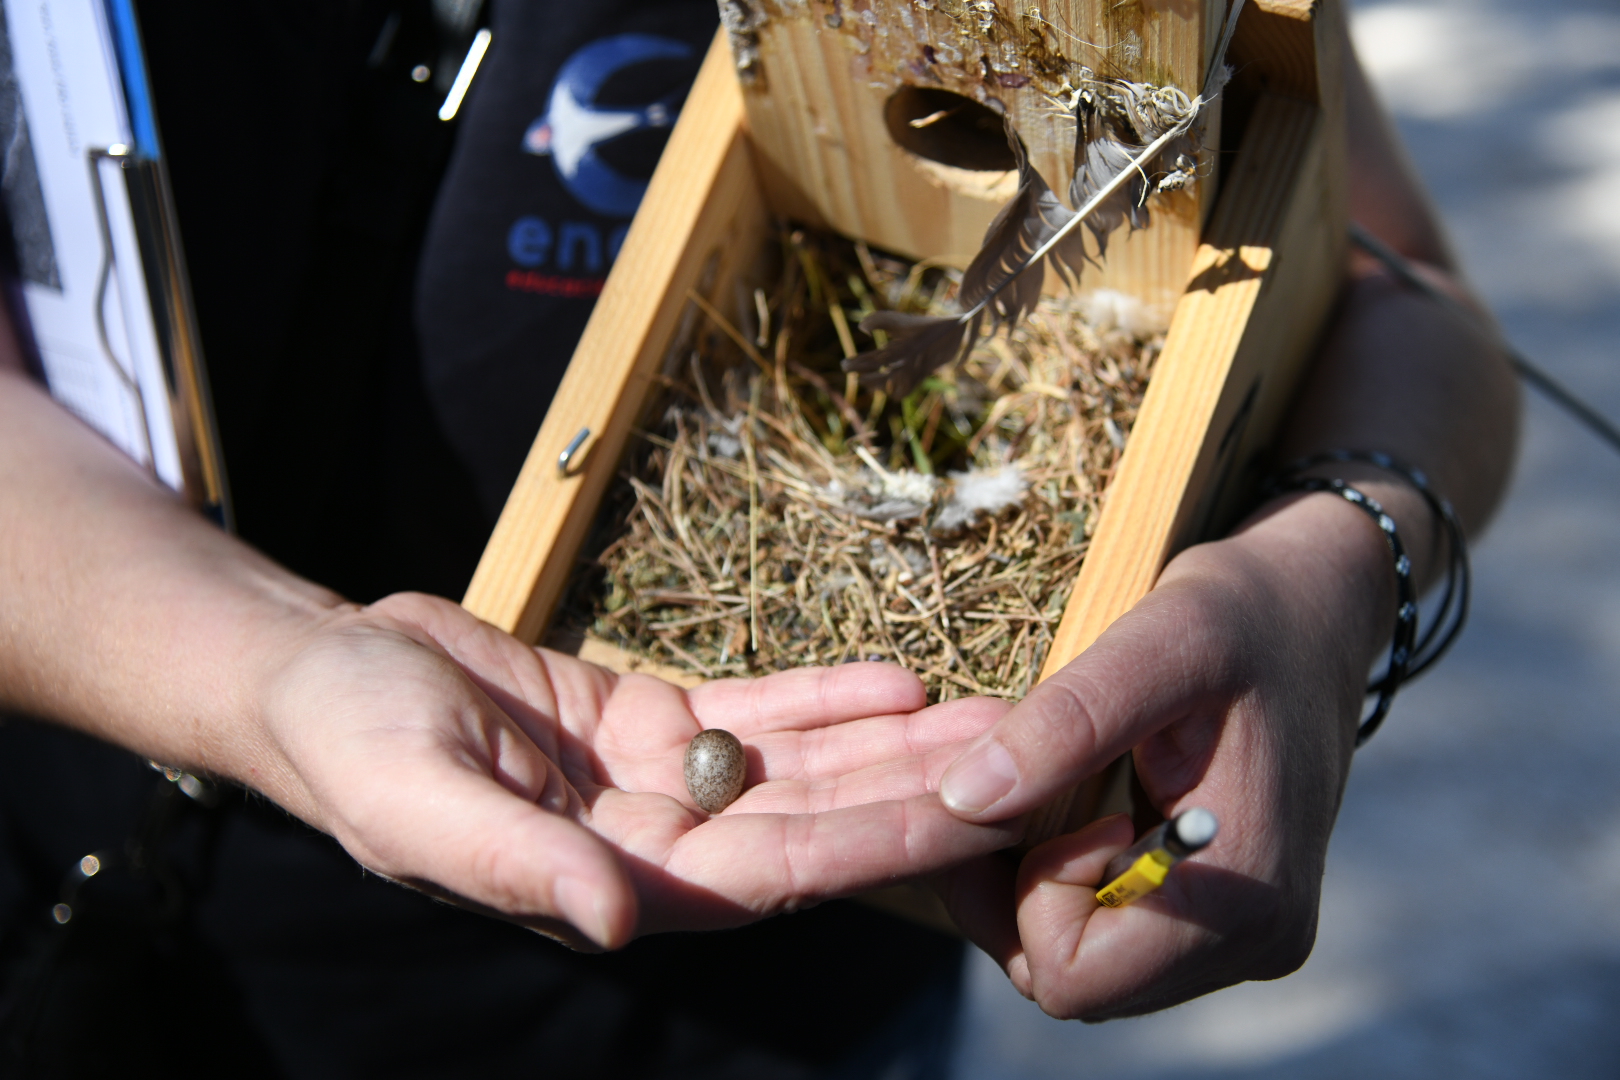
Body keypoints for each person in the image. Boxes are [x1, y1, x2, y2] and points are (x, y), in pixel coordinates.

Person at [0, 0, 1517, 1076]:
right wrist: (277, 670)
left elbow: (1402, 290)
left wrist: (1328, 566)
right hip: (156, 944)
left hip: (816, 994)